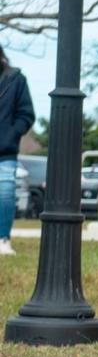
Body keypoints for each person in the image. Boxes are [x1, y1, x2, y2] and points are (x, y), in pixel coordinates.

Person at [0, 45, 35, 256]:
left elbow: (26, 114)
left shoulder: (15, 79)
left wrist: (12, 134)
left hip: (5, 150)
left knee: (5, 193)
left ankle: (3, 239)